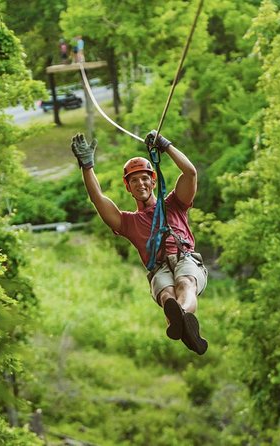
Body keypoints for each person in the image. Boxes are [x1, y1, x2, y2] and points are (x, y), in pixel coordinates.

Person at [70, 132, 209, 355]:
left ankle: (180, 316)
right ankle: (182, 321)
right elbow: (98, 198)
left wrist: (166, 145)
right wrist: (87, 167)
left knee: (185, 283)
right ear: (128, 187)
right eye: (134, 180)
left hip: (186, 258)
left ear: (153, 181)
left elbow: (190, 172)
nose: (140, 183)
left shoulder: (174, 203)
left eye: (144, 178)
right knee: (166, 295)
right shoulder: (128, 222)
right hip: (159, 268)